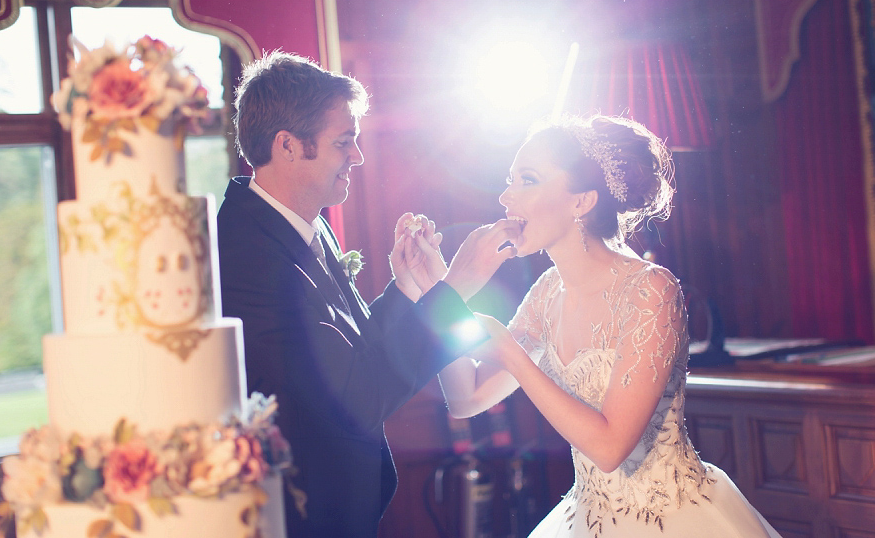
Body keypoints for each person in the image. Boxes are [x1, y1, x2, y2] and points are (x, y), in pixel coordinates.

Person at [419, 114, 783, 537]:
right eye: (509, 179)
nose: (505, 197)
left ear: (582, 201)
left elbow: (611, 448)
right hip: (585, 518)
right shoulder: (546, 293)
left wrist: (515, 358)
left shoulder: (651, 291)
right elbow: (466, 399)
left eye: (527, 180)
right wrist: (441, 294)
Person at [217, 52, 517, 538]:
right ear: (288, 146)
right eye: (343, 142)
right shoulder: (245, 254)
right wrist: (455, 285)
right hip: (301, 516)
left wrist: (404, 290)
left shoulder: (302, 224)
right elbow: (356, 397)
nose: (357, 156)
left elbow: (352, 349)